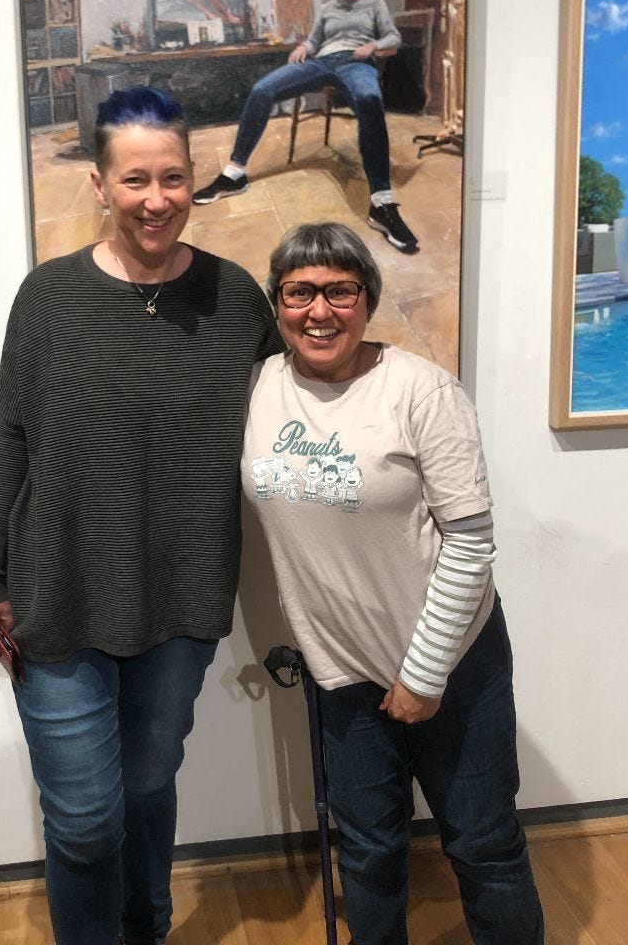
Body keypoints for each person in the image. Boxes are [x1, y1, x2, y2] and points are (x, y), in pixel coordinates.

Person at [0, 87, 280, 945]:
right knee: (87, 817)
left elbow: (301, 412)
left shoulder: (235, 298)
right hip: (58, 589)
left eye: (172, 178)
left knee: (146, 782)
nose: (156, 199)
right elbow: (10, 436)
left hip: (181, 596)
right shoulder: (49, 298)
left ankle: (147, 927)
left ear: (193, 177)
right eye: (135, 180)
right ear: (100, 185)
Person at [243, 221, 544, 945]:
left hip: (452, 661)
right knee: (369, 850)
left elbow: (469, 544)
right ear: (278, 303)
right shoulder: (258, 386)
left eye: (341, 291)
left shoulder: (421, 391)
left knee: (482, 840)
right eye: (299, 292)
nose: (320, 311)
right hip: (340, 668)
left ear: (368, 300)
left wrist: (425, 673)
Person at [193, 0, 418, 254]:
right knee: (261, 90)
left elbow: (393, 37)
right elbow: (314, 41)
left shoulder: (374, 3)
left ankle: (381, 203)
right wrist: (303, 46)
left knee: (369, 98)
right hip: (321, 63)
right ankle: (234, 174)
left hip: (356, 62)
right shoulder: (327, 8)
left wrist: (372, 46)